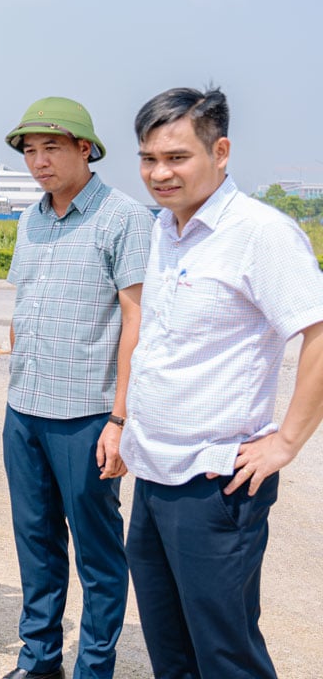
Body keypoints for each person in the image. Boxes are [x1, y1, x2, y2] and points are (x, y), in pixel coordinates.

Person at [121, 86, 323, 679]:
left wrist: (286, 441)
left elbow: (318, 333)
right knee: (170, 646)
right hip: (155, 475)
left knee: (225, 651)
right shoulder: (163, 229)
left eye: (177, 157)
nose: (160, 173)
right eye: (148, 158)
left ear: (221, 151)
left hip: (215, 482)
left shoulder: (260, 233)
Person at [0, 98, 151, 679]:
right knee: (35, 543)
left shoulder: (123, 218)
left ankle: (94, 666)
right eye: (30, 151)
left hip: (87, 414)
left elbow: (135, 319)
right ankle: (38, 658)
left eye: (52, 147)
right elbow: (23, 302)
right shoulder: (30, 218)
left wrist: (119, 419)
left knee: (96, 550)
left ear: (85, 148)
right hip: (25, 409)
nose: (39, 161)